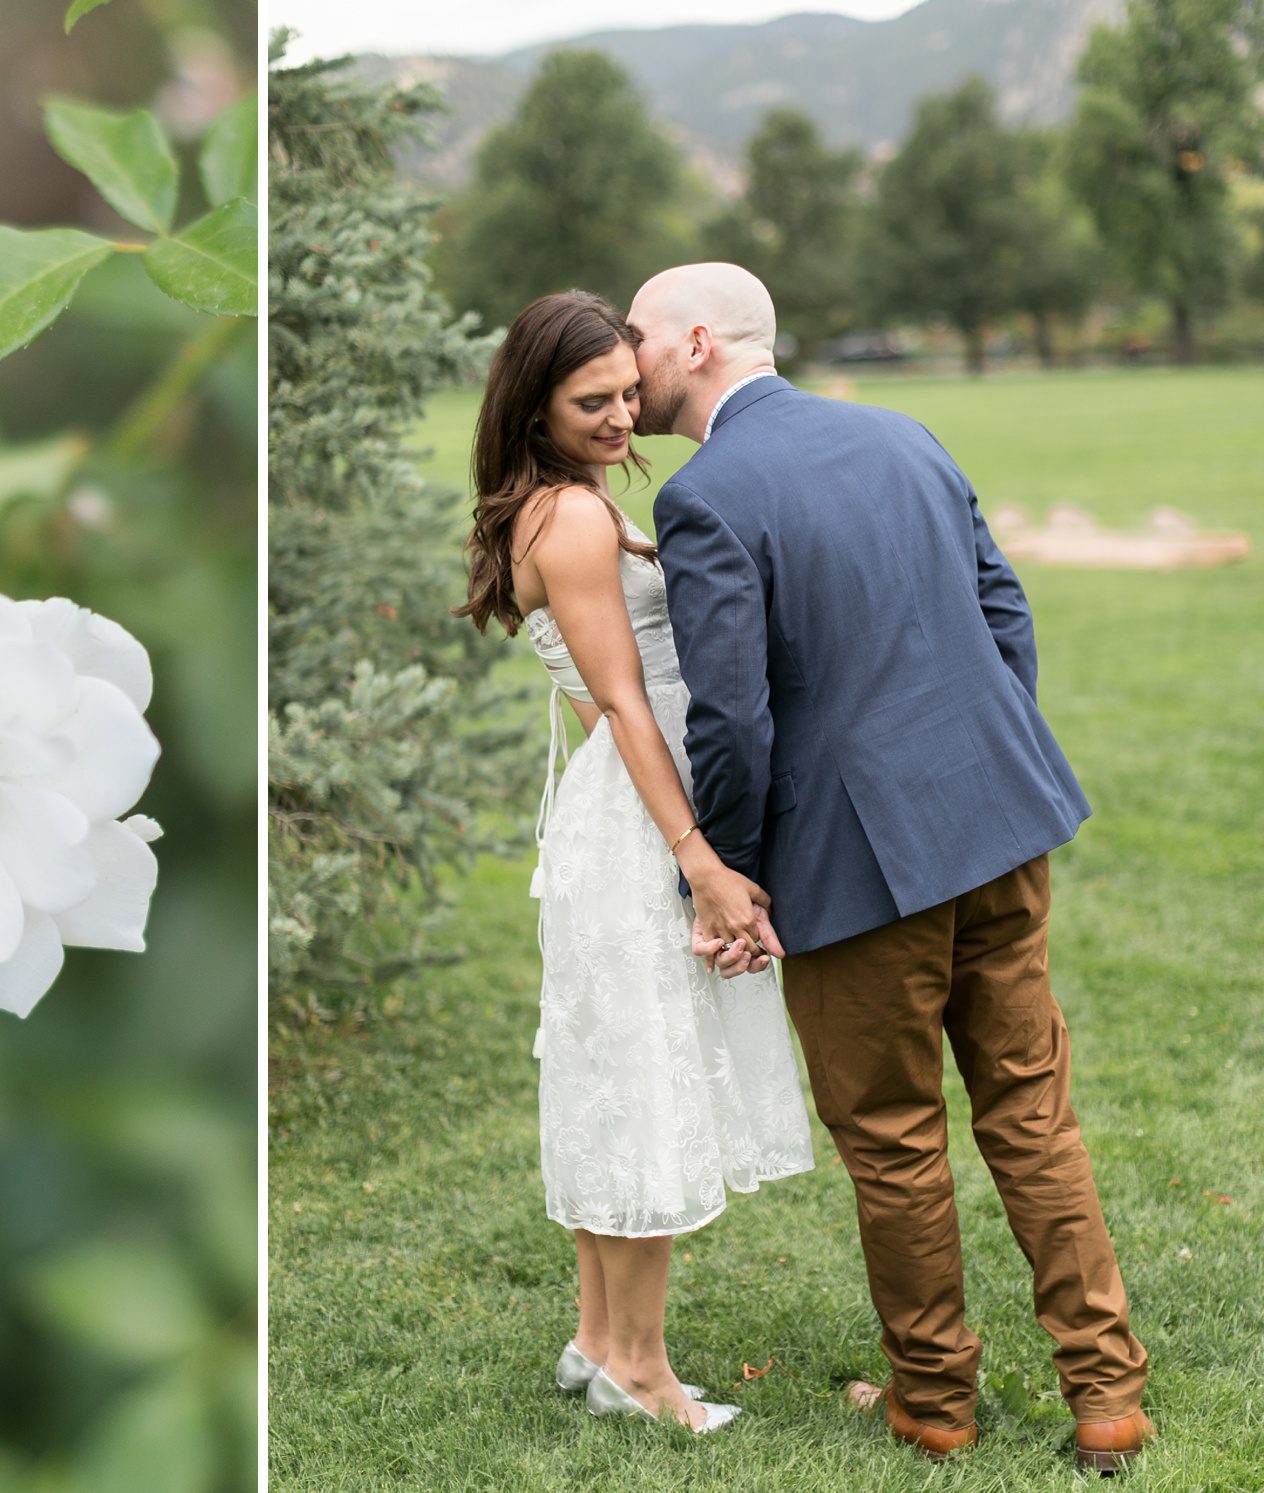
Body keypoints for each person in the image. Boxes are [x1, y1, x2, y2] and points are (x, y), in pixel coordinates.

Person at [627, 262, 1153, 1471]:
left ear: (697, 339)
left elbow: (732, 721)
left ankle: (933, 1400)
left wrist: (729, 872)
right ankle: (1105, 1391)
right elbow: (1001, 611)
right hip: (997, 824)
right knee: (1030, 1108)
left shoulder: (708, 495)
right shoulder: (902, 434)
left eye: (642, 336)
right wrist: (978, 764)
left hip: (853, 864)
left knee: (893, 1135)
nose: (628, 357)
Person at [456, 290, 814, 1435]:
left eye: (624, 392)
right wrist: (696, 856)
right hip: (636, 812)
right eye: (590, 401)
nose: (621, 416)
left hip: (618, 802)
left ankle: (598, 1339)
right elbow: (619, 700)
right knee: (643, 1079)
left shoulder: (562, 499)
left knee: (612, 1072)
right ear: (534, 402)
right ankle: (641, 1370)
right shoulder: (564, 518)